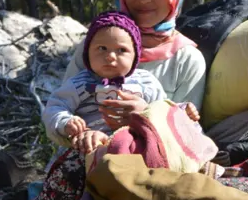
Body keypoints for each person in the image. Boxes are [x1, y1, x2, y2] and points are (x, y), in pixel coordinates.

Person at [30, 0, 207, 200]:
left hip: (146, 179)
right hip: (77, 173)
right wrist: (79, 134)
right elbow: (58, 113)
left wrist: (146, 116)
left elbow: (187, 138)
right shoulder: (94, 48)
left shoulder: (186, 60)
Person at [41, 10, 166, 154]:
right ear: (87, 53)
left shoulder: (146, 83)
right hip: (87, 150)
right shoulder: (79, 84)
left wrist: (152, 112)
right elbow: (54, 107)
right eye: (102, 48)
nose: (110, 56)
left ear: (135, 55)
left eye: (121, 50)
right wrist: (66, 122)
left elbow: (165, 112)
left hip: (135, 150)